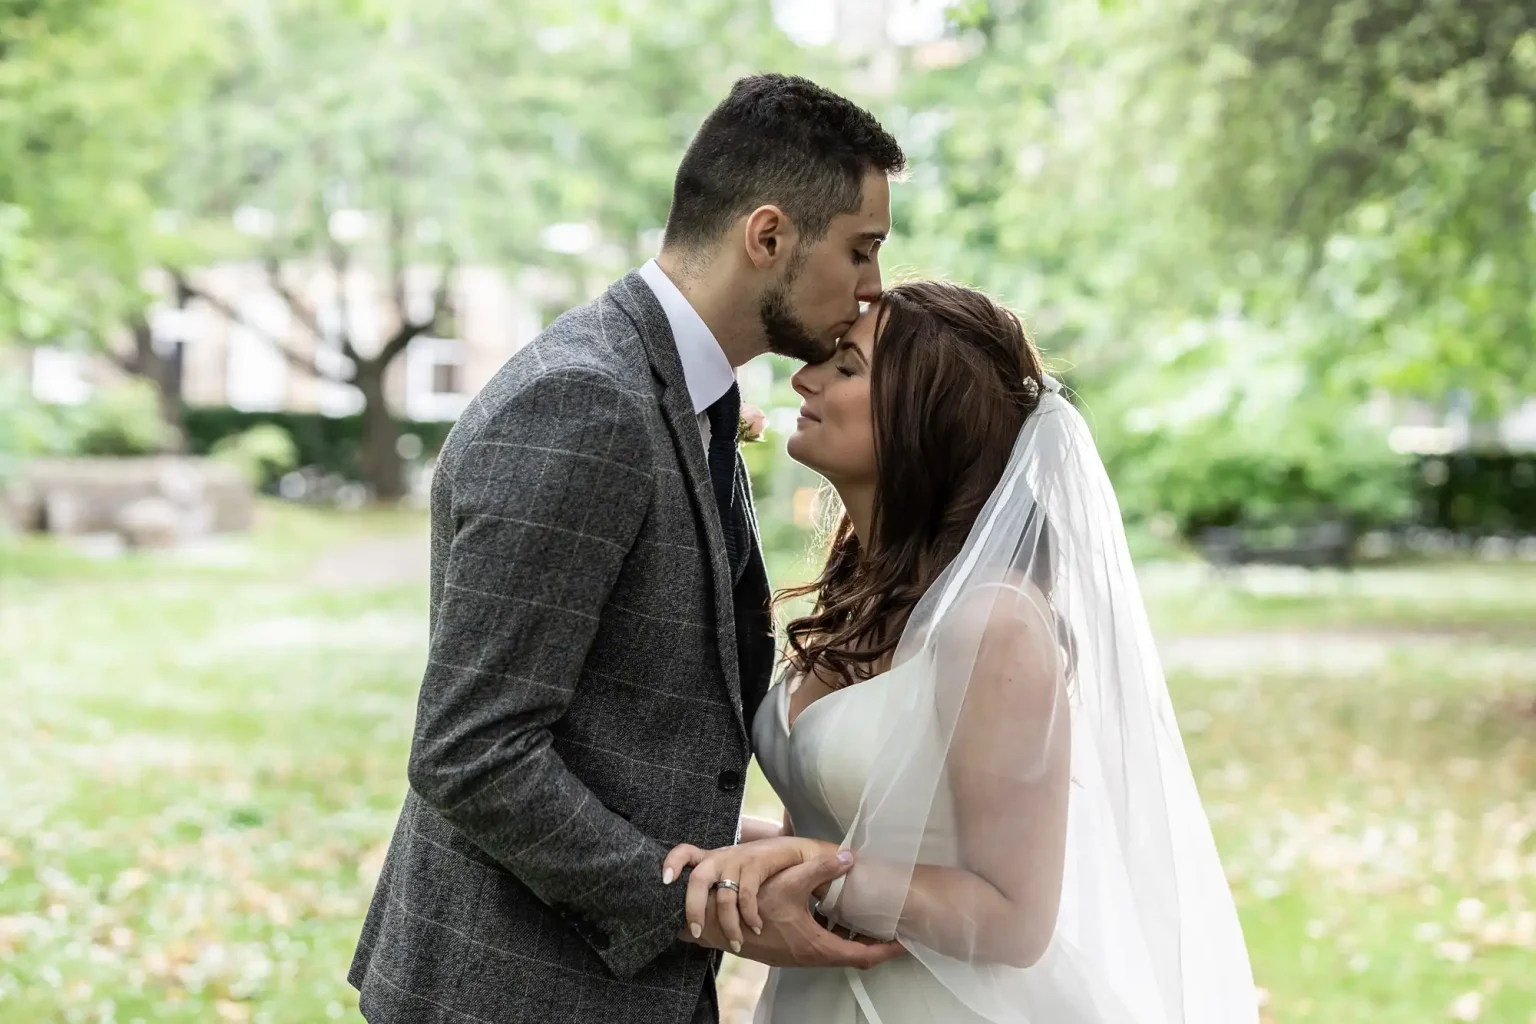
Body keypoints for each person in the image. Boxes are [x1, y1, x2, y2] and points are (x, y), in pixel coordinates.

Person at [347, 74, 907, 1024]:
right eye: (863, 249)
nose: (872, 287)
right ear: (767, 237)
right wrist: (701, 906)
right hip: (510, 993)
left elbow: (628, 714)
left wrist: (737, 847)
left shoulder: (694, 397)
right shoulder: (583, 402)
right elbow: (472, 750)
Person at [665, 282, 1260, 1023]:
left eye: (847, 367)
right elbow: (821, 833)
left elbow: (1014, 916)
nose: (804, 377)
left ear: (925, 421)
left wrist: (814, 877)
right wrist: (653, 835)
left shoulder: (993, 623)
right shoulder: (856, 595)